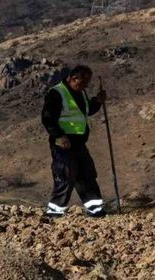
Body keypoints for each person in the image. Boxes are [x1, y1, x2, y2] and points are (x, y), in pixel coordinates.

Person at [41, 65, 107, 217]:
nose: (85, 85)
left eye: (87, 83)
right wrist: (58, 136)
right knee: (65, 176)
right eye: (83, 82)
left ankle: (96, 210)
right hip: (63, 143)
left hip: (78, 143)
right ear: (72, 78)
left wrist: (97, 101)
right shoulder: (57, 93)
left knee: (87, 175)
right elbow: (47, 118)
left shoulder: (80, 92)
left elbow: (86, 110)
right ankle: (54, 213)